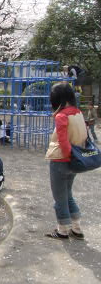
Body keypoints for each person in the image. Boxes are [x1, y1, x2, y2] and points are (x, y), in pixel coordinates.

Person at [45, 83, 87, 240]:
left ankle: (62, 230)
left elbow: (63, 142)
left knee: (59, 198)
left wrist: (69, 157)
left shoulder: (62, 116)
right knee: (68, 195)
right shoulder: (78, 113)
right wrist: (74, 159)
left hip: (61, 162)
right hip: (75, 162)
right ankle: (76, 228)